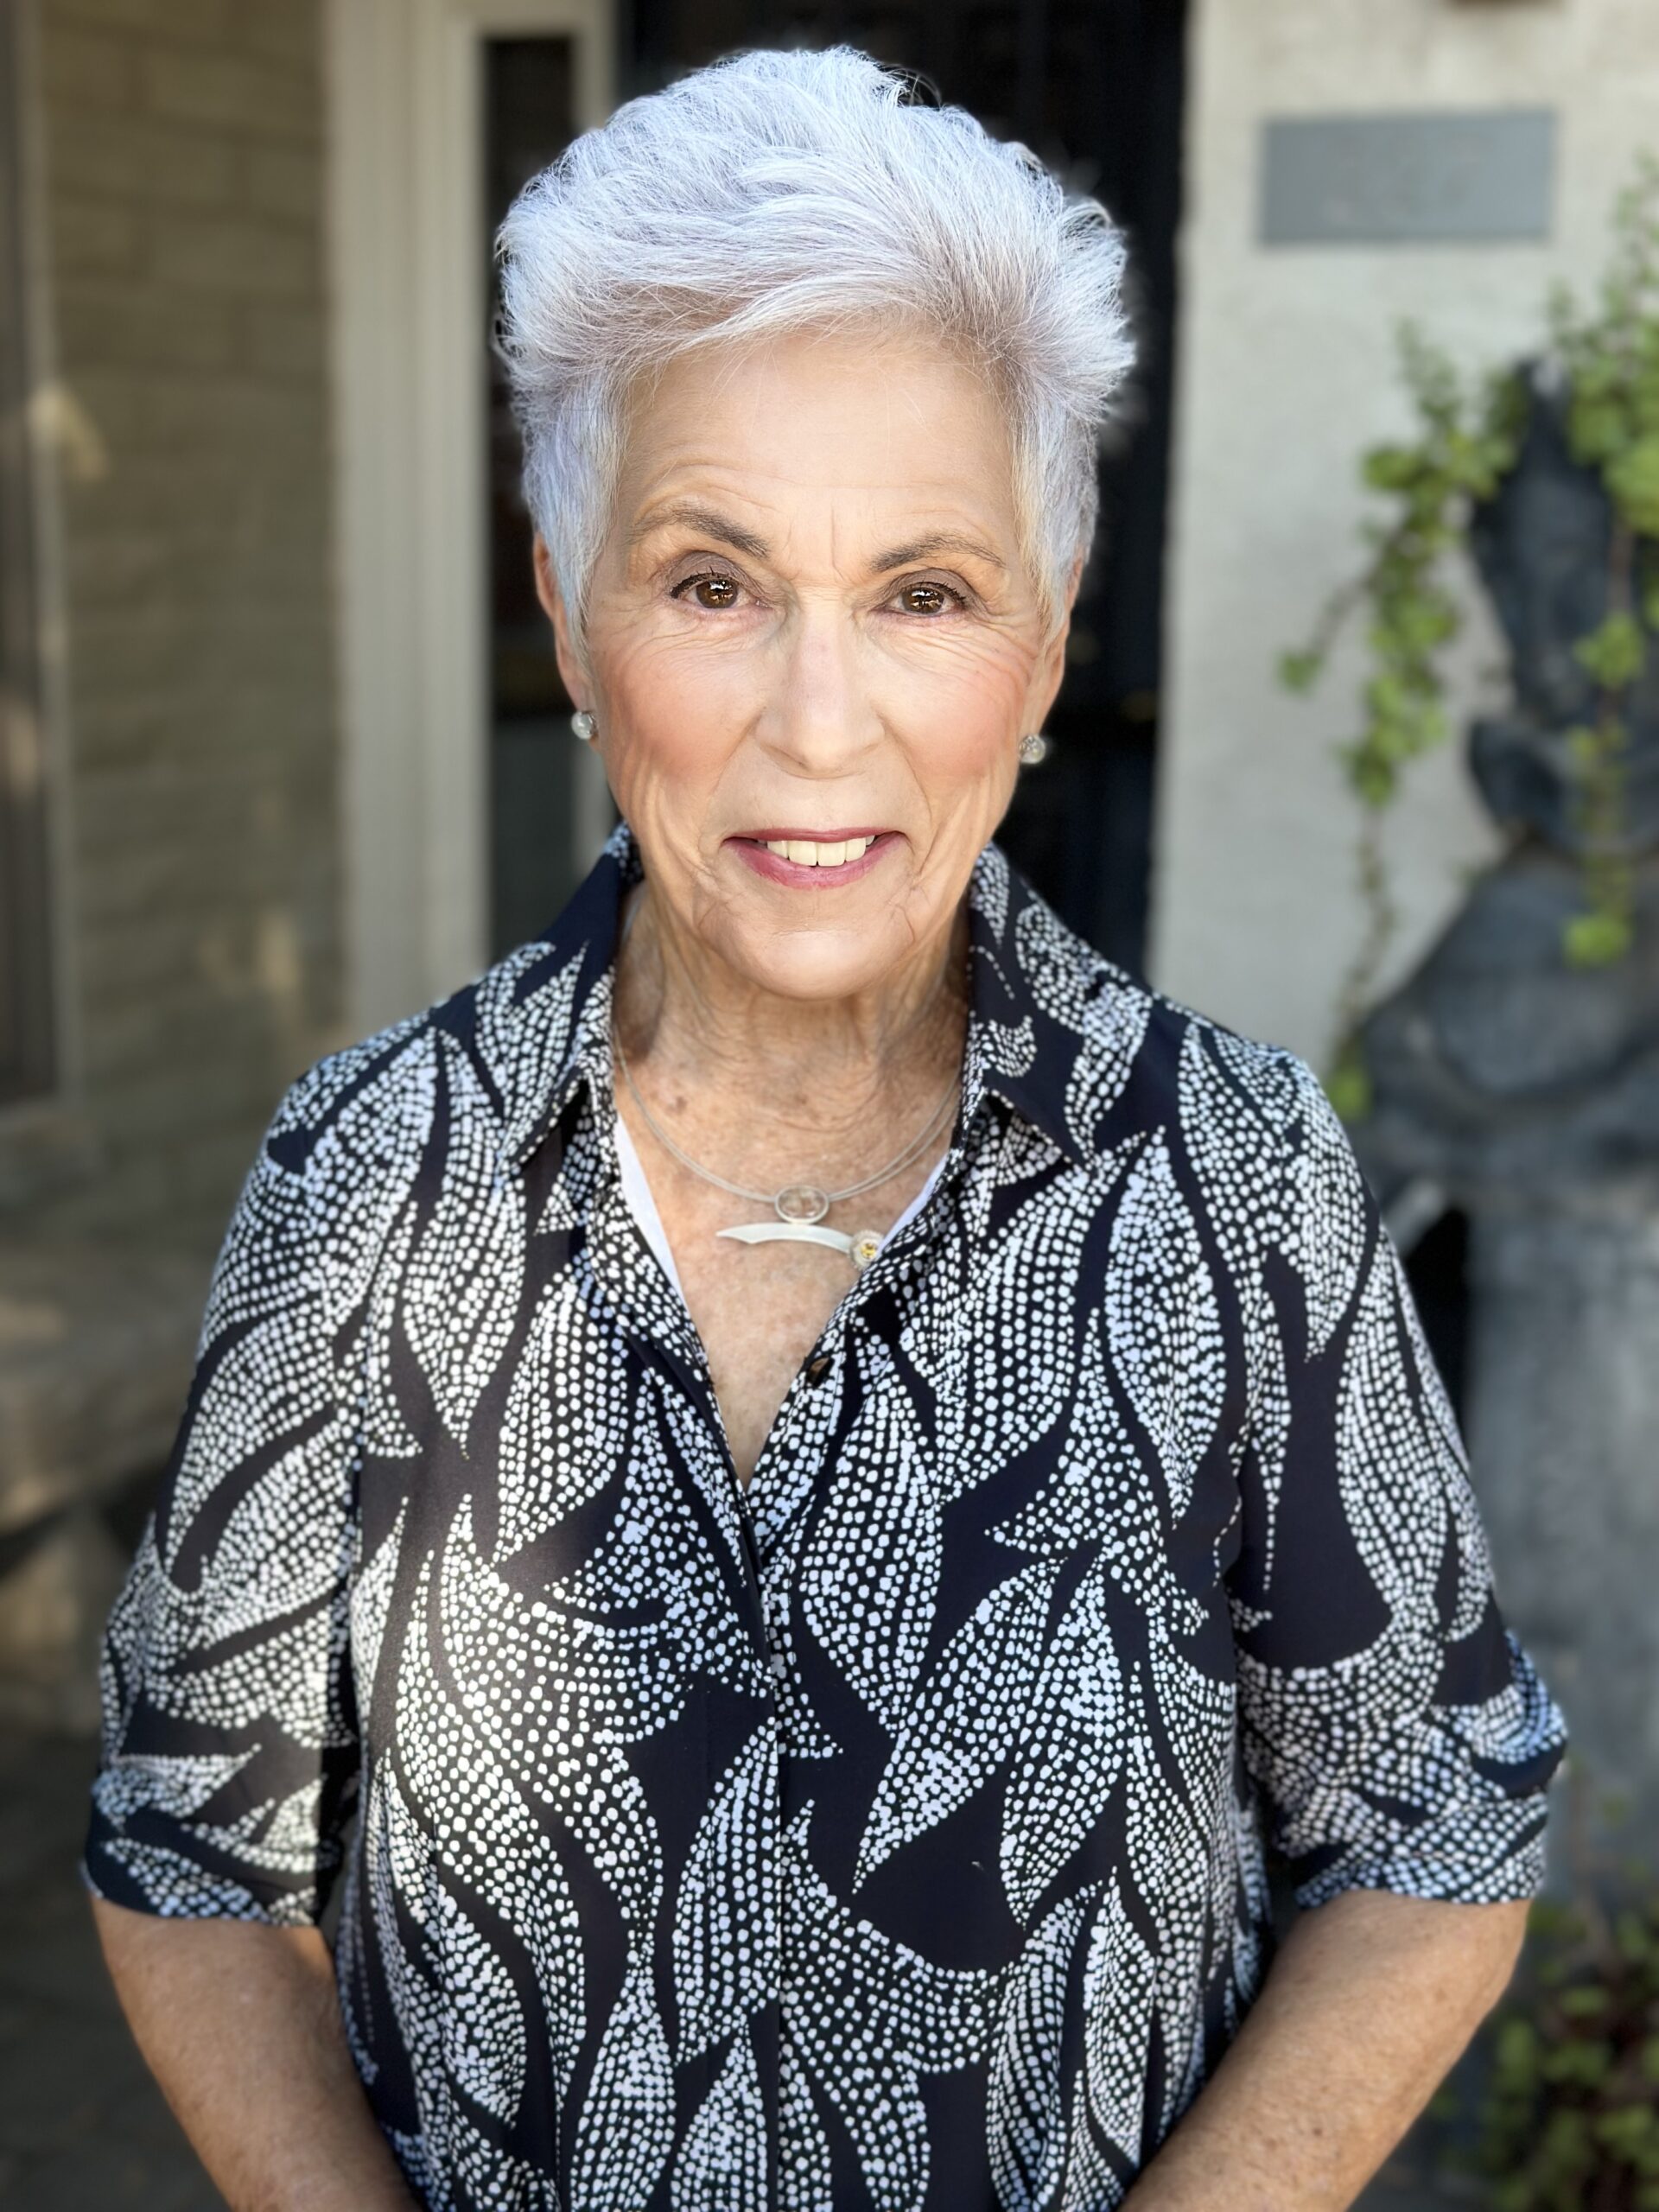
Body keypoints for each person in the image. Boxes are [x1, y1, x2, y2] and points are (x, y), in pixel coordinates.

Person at [84, 46, 1565, 2212]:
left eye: (923, 591)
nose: (817, 715)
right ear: (571, 614)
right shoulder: (369, 1177)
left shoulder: (1230, 1174)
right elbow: (187, 1848)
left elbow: (1433, 1820)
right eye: (712, 580)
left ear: (1044, 653)